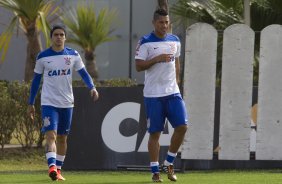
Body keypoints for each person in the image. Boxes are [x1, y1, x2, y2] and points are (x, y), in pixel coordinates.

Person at [27, 24, 99, 181]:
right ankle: (52, 167)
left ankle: (58, 170)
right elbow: (36, 81)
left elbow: (84, 73)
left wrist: (92, 87)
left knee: (62, 138)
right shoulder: (43, 57)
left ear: (65, 37)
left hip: (67, 103)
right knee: (50, 135)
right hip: (48, 103)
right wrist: (30, 103)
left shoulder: (73, 55)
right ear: (51, 38)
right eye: (56, 35)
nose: (59, 37)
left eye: (61, 35)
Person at [135, 9, 188, 182]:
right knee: (155, 134)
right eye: (161, 22)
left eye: (167, 22)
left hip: (172, 93)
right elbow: (138, 66)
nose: (164, 25)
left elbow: (177, 63)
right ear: (154, 23)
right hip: (153, 95)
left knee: (182, 127)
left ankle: (169, 162)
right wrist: (156, 58)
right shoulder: (145, 42)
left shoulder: (175, 40)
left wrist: (177, 83)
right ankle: (155, 171)